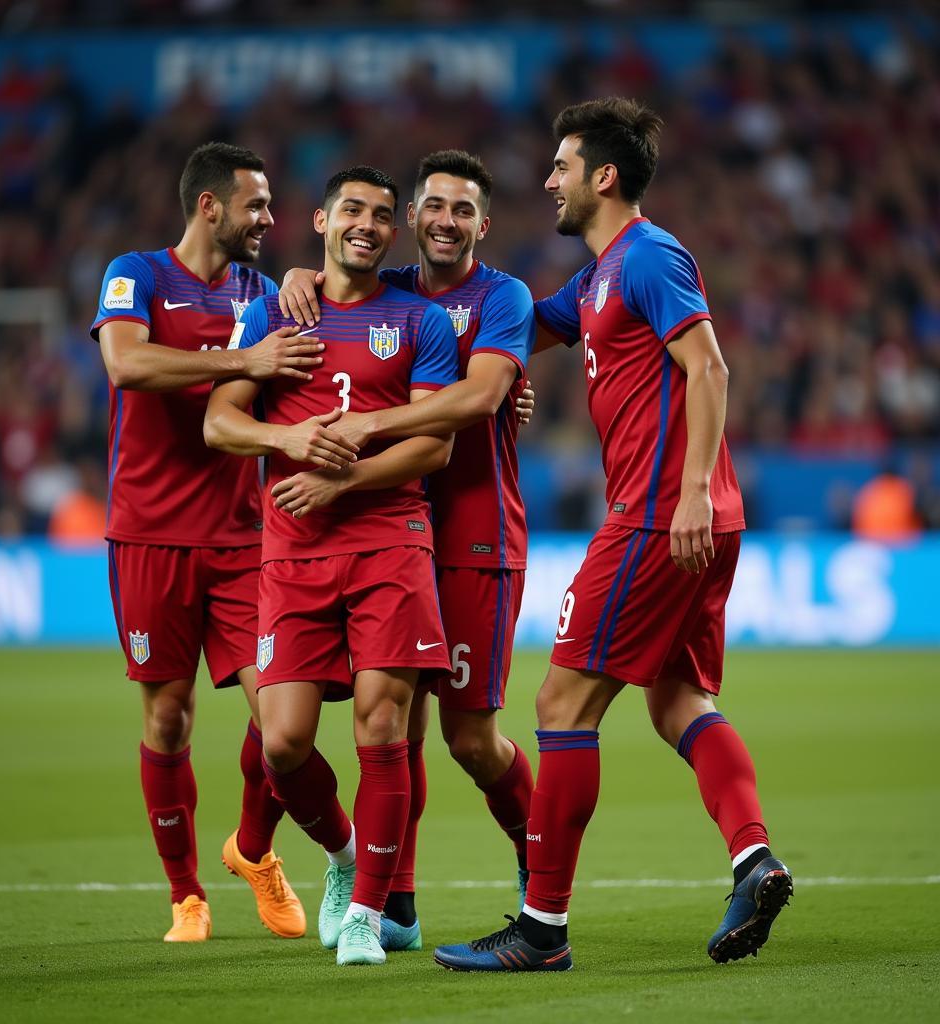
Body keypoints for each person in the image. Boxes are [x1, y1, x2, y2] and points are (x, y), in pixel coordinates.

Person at [434, 98, 792, 973]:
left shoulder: (649, 254)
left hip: (660, 515)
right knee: (678, 704)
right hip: (688, 517)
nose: (548, 180)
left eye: (561, 166)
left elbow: (708, 366)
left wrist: (694, 493)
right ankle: (755, 859)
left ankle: (542, 929)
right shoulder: (597, 279)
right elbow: (526, 324)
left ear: (603, 176)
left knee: (561, 706)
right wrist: (381, 298)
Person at [274, 150, 536, 953]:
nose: (446, 221)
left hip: (474, 536)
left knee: (467, 739)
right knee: (396, 735)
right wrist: (296, 272)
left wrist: (361, 432)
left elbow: (484, 394)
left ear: (483, 225)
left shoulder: (502, 295)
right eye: (434, 207)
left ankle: (542, 867)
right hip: (393, 534)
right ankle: (395, 905)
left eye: (464, 210)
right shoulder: (382, 296)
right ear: (410, 219)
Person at [91, 141, 346, 943]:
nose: (269, 218)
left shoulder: (265, 292)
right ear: (209, 206)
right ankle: (186, 896)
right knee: (168, 718)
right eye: (256, 205)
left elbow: (325, 360)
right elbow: (125, 365)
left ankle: (255, 851)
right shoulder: (135, 274)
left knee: (281, 722)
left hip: (245, 539)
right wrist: (243, 358)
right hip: (151, 535)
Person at [203, 166, 459, 966]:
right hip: (293, 553)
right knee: (281, 743)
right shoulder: (267, 315)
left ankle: (368, 917)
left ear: (396, 231)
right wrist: (285, 442)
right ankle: (345, 859)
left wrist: (341, 472)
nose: (369, 225)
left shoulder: (419, 321)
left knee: (382, 728)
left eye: (384, 216)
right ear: (318, 219)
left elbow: (435, 443)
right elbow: (218, 421)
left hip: (391, 539)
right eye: (353, 209)